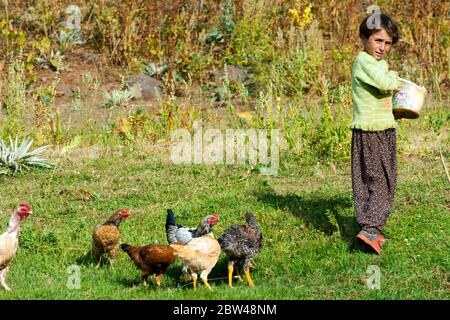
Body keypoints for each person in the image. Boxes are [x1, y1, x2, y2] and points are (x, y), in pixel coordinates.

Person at [350, 13, 401, 254]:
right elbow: (386, 83)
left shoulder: (377, 64)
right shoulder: (364, 62)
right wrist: (396, 78)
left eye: (388, 43)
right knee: (381, 180)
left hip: (381, 128)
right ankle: (370, 229)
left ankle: (369, 229)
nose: (382, 47)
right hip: (372, 132)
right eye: (378, 40)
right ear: (364, 38)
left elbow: (382, 95)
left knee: (372, 179)